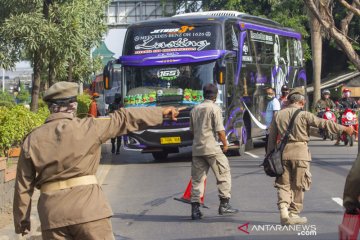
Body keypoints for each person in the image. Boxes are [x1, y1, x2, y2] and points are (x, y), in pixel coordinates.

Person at [13, 81, 182, 239]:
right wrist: (160, 112)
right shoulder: (90, 127)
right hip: (89, 211)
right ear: (73, 106)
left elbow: (23, 184)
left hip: (52, 215)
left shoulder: (32, 139)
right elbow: (124, 118)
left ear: (50, 108)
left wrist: (22, 219)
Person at [267, 87, 354, 225]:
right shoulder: (304, 115)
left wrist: (270, 156)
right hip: (301, 153)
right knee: (299, 184)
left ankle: (283, 211)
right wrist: (345, 128)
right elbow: (324, 124)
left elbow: (271, 138)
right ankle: (294, 213)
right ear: (301, 102)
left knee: (283, 184)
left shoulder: (279, 115)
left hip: (282, 153)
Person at [189, 83, 239, 220]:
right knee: (224, 174)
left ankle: (195, 209)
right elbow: (220, 130)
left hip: (197, 149)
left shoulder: (195, 109)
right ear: (216, 95)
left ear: (203, 94)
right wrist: (225, 144)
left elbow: (192, 131)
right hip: (212, 148)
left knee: (197, 180)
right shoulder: (214, 108)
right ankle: (224, 205)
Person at [265, 87, 281, 153]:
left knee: (271, 146)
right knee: (267, 146)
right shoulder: (270, 101)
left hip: (272, 128)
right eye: (267, 93)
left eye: (270, 93)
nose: (268, 95)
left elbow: (275, 115)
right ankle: (268, 159)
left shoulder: (275, 102)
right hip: (268, 127)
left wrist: (271, 126)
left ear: (274, 93)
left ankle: (271, 161)